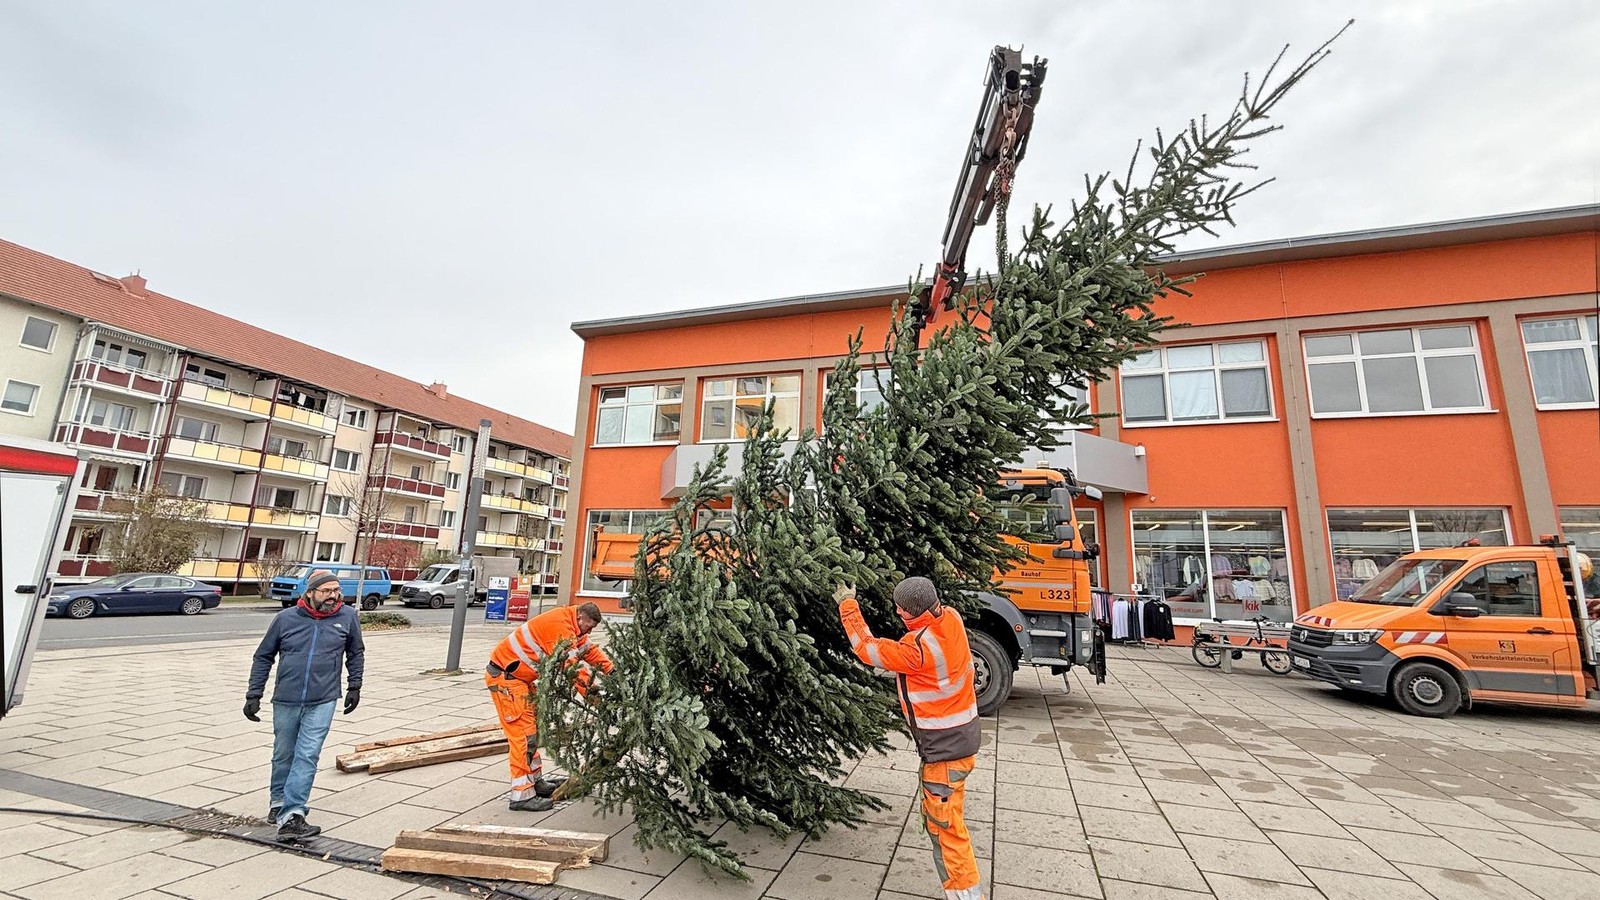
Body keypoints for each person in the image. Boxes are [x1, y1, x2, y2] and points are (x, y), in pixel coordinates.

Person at [837, 577, 983, 900]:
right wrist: (899, 669)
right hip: (964, 740)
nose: (896, 611)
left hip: (945, 753)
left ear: (908, 614)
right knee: (947, 822)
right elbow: (934, 664)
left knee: (946, 831)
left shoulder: (916, 650)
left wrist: (847, 604)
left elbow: (867, 648)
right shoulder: (951, 618)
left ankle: (967, 895)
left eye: (899, 608)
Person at [245, 570, 364, 842]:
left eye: (337, 590)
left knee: (307, 754)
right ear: (310, 593)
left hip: (323, 698)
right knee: (284, 752)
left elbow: (356, 653)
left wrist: (354, 686)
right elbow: (264, 656)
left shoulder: (347, 617)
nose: (334, 596)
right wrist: (254, 693)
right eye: (327, 591)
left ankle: (293, 814)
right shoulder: (286, 619)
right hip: (286, 697)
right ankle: (278, 803)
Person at [486, 601, 612, 811]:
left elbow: (589, 652)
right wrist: (596, 701)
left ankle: (535, 783)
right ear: (580, 617)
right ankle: (521, 796)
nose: (589, 632)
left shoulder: (573, 626)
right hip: (507, 682)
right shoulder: (560, 627)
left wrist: (612, 671)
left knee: (532, 734)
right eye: (588, 627)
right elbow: (573, 669)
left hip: (519, 681)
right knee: (523, 738)